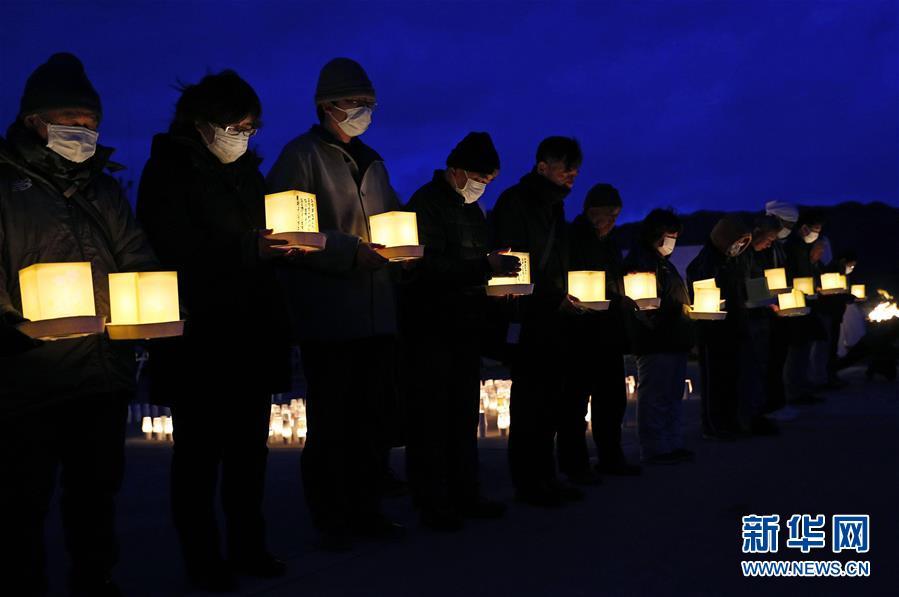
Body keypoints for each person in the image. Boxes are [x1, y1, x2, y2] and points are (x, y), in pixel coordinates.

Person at [0, 53, 158, 597]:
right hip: (28, 379)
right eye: (71, 119)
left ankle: (96, 579)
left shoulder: (104, 189)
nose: (84, 131)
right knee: (22, 498)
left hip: (100, 372)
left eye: (92, 122)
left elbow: (135, 256)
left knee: (95, 493)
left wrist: (149, 307)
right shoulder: (5, 187)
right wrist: (13, 330)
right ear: (34, 121)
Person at [136, 71, 292, 591]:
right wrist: (248, 249)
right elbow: (172, 247)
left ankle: (250, 546)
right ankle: (203, 557)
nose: (241, 135)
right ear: (200, 122)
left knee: (250, 452)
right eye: (233, 124)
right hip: (199, 337)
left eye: (250, 126)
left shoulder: (249, 174)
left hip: (251, 331)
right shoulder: (168, 171)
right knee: (199, 455)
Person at [266, 58, 403, 549]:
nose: (365, 112)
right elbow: (285, 237)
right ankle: (329, 515)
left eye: (369, 104)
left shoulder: (374, 162)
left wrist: (404, 250)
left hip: (376, 313)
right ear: (327, 106)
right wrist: (349, 252)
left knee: (371, 423)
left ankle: (366, 509)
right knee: (332, 424)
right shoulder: (301, 157)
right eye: (356, 103)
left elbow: (394, 220)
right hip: (330, 315)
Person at [399, 132, 518, 531]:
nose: (484, 185)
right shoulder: (425, 204)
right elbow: (425, 266)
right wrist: (485, 268)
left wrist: (494, 289)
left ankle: (466, 493)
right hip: (430, 324)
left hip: (465, 324)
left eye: (491, 179)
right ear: (456, 169)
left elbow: (474, 264)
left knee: (462, 414)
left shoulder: (473, 210)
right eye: (481, 176)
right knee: (431, 416)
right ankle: (431, 500)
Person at [491, 136, 587, 506]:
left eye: (575, 169)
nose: (571, 175)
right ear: (542, 165)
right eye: (565, 167)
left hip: (553, 319)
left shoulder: (555, 208)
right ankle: (529, 481)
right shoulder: (516, 202)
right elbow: (514, 262)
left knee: (549, 402)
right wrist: (551, 296)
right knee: (531, 403)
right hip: (528, 318)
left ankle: (545, 476)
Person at [560, 183, 642, 480]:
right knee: (576, 402)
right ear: (594, 213)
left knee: (612, 401)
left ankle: (611, 458)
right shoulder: (575, 239)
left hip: (608, 332)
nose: (614, 221)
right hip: (581, 333)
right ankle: (575, 465)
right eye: (612, 214)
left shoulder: (607, 241)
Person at [686, 216, 776, 439]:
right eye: (738, 241)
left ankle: (731, 421)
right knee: (715, 381)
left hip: (735, 326)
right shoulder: (706, 262)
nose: (740, 246)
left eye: (744, 242)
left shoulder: (732, 260)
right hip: (713, 332)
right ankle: (715, 425)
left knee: (730, 380)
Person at [622, 208, 694, 465]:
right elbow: (644, 306)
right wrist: (673, 313)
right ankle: (655, 448)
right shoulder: (642, 262)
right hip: (656, 340)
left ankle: (671, 443)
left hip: (673, 338)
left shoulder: (663, 262)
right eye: (669, 235)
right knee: (655, 396)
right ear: (654, 234)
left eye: (675, 236)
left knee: (671, 395)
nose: (672, 241)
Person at [782, 208, 827, 405]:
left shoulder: (804, 248)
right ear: (804, 227)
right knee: (796, 349)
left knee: (803, 349)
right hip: (795, 304)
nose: (816, 233)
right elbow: (794, 275)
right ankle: (793, 391)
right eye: (815, 229)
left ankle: (801, 387)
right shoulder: (792, 247)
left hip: (806, 303)